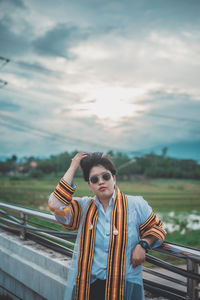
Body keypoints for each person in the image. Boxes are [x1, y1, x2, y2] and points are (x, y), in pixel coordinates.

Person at [48, 152, 166, 300]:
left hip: (124, 287)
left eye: (106, 176)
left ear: (114, 178)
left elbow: (157, 228)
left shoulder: (135, 204)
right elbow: (56, 205)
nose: (101, 182)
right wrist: (73, 166)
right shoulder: (84, 207)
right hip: (89, 287)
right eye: (94, 179)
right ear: (90, 185)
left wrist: (143, 245)